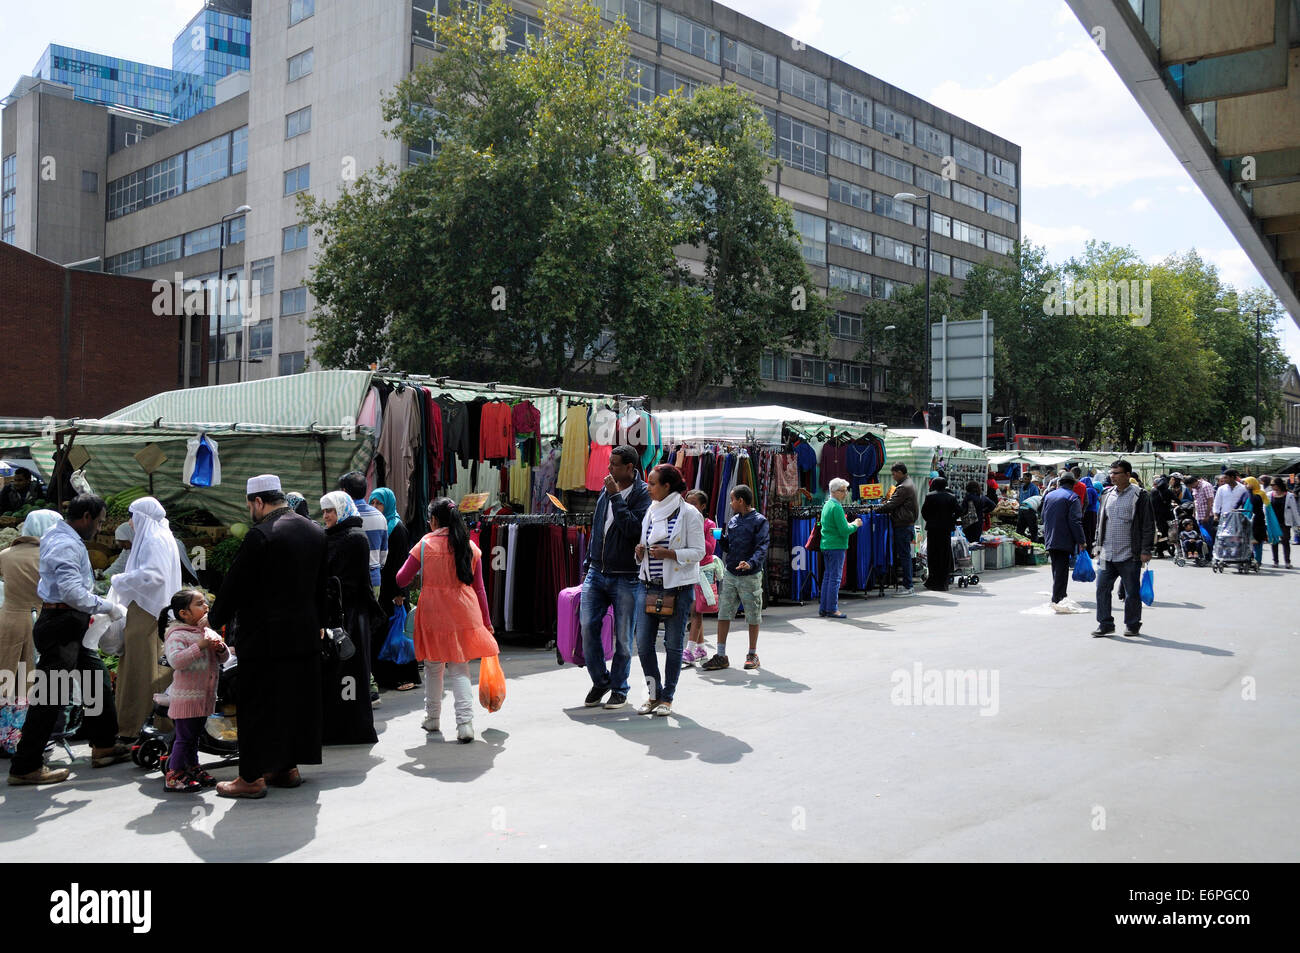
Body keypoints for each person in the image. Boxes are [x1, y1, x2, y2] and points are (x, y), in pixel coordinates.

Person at [209, 475, 329, 799]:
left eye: (250, 505)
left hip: (264, 640)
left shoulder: (260, 535)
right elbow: (324, 586)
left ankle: (250, 778)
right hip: (304, 636)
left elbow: (234, 584)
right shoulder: (315, 531)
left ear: (258, 502)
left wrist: (213, 619)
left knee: (257, 708)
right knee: (292, 704)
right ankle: (286, 768)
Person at [8, 495, 130, 785]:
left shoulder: (60, 533)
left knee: (95, 680)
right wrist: (108, 606)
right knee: (50, 697)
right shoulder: (64, 543)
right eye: (99, 522)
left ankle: (104, 743)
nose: (99, 529)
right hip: (62, 624)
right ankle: (25, 766)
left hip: (68, 623)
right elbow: (72, 593)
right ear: (86, 516)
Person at [394, 497, 499, 742]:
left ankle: (432, 718)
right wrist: (486, 621)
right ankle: (465, 724)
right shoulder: (469, 546)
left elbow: (401, 579)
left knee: (433, 667)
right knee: (460, 667)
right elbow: (480, 589)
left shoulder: (425, 544)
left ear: (433, 520)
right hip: (465, 610)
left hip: (433, 612)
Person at [579, 445, 650, 710]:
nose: (609, 469)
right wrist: (589, 562)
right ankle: (601, 680)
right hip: (597, 571)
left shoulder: (643, 495)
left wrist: (616, 497)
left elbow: (634, 530)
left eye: (615, 464)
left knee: (623, 637)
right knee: (587, 626)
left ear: (630, 468)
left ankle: (620, 688)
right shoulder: (606, 489)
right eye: (609, 464)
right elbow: (599, 527)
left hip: (626, 576)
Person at [632, 464, 705, 715]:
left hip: (678, 588)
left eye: (652, 484)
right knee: (643, 644)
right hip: (647, 585)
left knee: (673, 645)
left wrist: (669, 554)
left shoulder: (689, 514)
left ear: (667, 486)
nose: (648, 487)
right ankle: (652, 695)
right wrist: (639, 552)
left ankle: (667, 697)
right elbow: (643, 545)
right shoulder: (651, 511)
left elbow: (699, 552)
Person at [110, 497, 182, 740]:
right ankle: (151, 726)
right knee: (150, 670)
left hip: (148, 613)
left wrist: (120, 580)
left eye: (132, 516)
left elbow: (155, 576)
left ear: (142, 517)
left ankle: (135, 727)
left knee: (141, 672)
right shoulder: (161, 536)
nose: (130, 522)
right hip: (152, 612)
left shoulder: (153, 539)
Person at [318, 490, 380, 746]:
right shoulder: (332, 536)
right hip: (338, 613)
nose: (325, 516)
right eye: (323, 511)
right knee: (336, 671)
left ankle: (353, 729)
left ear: (342, 510)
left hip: (351, 614)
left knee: (350, 669)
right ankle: (335, 728)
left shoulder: (354, 537)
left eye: (330, 511)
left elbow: (348, 581)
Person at [158, 589, 229, 793]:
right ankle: (174, 774)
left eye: (205, 602)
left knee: (195, 736)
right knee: (185, 737)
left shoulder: (206, 631)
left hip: (203, 696)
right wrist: (200, 646)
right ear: (184, 613)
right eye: (199, 603)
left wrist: (220, 649)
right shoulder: (177, 635)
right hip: (186, 697)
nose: (206, 606)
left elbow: (222, 659)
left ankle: (192, 767)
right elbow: (176, 660)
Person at [702, 485, 769, 671]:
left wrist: (751, 563)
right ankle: (721, 655)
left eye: (732, 500)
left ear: (740, 500)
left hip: (750, 576)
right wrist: (720, 537)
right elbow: (729, 546)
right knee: (723, 613)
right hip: (731, 573)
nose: (730, 503)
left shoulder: (759, 521)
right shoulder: (733, 521)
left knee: (753, 615)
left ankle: (752, 654)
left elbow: (762, 547)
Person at [0, 510, 62, 704]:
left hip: (9, 620)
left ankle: (9, 729)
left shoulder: (5, 555)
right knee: (38, 679)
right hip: (44, 619)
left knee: (7, 671)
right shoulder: (53, 556)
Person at [1092, 461, 1155, 638]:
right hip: (1106, 552)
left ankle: (1132, 624)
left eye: (1117, 473)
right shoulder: (1106, 493)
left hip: (1130, 553)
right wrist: (1096, 546)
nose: (1112, 476)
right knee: (1101, 589)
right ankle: (1105, 624)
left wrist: (1146, 549)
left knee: (1131, 592)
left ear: (1128, 475)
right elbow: (1100, 522)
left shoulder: (1140, 495)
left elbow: (1148, 524)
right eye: (1111, 473)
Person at [369, 487, 419, 691]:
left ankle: (402, 677)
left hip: (395, 591)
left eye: (378, 503)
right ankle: (384, 677)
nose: (375, 507)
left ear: (387, 504)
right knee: (384, 634)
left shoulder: (397, 528)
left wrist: (400, 593)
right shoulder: (380, 527)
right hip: (384, 589)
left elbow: (400, 563)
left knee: (397, 635)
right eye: (372, 503)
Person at [818, 478, 863, 618]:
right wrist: (855, 524)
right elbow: (844, 530)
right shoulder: (836, 507)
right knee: (834, 578)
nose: (845, 493)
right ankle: (832, 609)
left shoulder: (827, 504)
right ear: (834, 491)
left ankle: (825, 607)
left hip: (827, 544)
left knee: (828, 577)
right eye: (842, 491)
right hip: (836, 545)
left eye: (845, 490)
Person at [1041, 472, 1085, 608]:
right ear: (1073, 484)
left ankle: (1060, 594)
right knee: (1061, 569)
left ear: (1060, 483)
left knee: (1056, 567)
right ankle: (1058, 597)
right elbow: (1075, 521)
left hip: (1050, 536)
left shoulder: (1049, 495)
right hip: (1064, 537)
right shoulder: (1073, 497)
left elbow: (1043, 515)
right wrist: (1081, 540)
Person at [682, 489, 717, 664]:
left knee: (697, 609)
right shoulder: (683, 523)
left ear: (703, 506)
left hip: (704, 570)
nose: (690, 507)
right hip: (689, 570)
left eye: (694, 503)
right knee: (697, 610)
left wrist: (694, 533)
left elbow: (710, 548)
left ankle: (688, 650)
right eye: (687, 502)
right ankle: (701, 648)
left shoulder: (709, 525)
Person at [880, 463, 919, 596]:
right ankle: (907, 585)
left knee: (904, 556)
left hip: (903, 525)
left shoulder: (904, 487)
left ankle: (908, 586)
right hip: (905, 524)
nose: (893, 476)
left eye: (894, 473)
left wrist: (875, 509)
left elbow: (891, 504)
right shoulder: (907, 483)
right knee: (904, 555)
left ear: (900, 472)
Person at [920, 477, 962, 591]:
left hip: (933, 529)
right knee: (944, 554)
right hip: (946, 529)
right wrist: (951, 519)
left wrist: (931, 520)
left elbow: (924, 512)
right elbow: (959, 511)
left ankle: (933, 581)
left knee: (933, 554)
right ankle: (944, 582)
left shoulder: (930, 496)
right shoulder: (951, 497)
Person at [1242, 476, 1270, 565]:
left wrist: (1250, 490)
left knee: (1257, 541)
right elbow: (1240, 502)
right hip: (1248, 520)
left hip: (1257, 521)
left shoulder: (1260, 493)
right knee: (1248, 541)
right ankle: (1249, 559)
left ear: (1252, 484)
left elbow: (1254, 501)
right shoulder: (1246, 493)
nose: (1245, 485)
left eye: (1246, 483)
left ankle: (1258, 561)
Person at [960, 480, 993, 545]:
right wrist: (984, 511)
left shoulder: (967, 498)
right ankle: (977, 554)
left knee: (969, 542)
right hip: (979, 522)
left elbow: (962, 510)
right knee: (976, 541)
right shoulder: (982, 497)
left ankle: (971, 554)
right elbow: (993, 505)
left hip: (968, 523)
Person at [1278, 480, 1300, 566]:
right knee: (1275, 542)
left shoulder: (1289, 495)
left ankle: (1287, 561)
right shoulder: (1270, 494)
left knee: (1285, 541)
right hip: (1275, 521)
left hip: (1286, 520)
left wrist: (1298, 522)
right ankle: (1276, 561)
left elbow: (1294, 509)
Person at [1189, 475, 1215, 544]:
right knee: (1204, 536)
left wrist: (1207, 516)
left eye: (1191, 486)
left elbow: (1210, 501)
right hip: (1199, 516)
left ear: (1194, 482)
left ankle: (1211, 552)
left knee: (1208, 536)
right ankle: (1206, 552)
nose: (1191, 488)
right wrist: (1194, 512)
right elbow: (1195, 501)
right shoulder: (1194, 488)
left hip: (1207, 516)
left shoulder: (1206, 486)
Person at [1080, 475, 1102, 552]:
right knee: (1092, 531)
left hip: (1088, 513)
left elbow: (1088, 502)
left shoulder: (1088, 490)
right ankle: (1092, 550)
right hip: (1093, 512)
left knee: (1087, 532)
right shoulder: (1093, 490)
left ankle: (1088, 550)